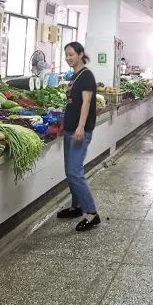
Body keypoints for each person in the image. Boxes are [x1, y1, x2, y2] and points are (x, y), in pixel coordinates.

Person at [57, 41, 101, 232]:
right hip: (70, 129)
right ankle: (76, 207)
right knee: (70, 171)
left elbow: (86, 103)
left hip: (79, 131)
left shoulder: (86, 76)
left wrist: (81, 126)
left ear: (81, 54)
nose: (68, 58)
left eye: (71, 54)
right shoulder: (75, 76)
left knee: (75, 172)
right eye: (66, 55)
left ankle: (91, 213)